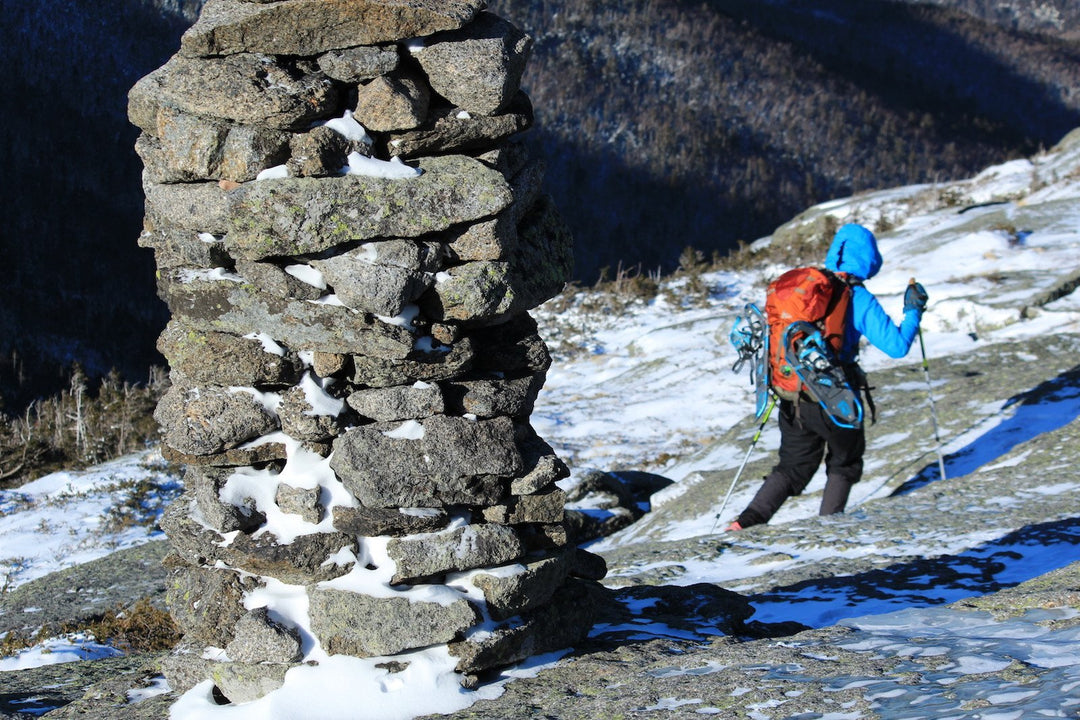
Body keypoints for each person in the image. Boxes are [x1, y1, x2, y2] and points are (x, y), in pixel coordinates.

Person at [728, 223, 927, 530]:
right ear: (869, 259)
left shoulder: (805, 289)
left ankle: (746, 522)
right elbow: (897, 347)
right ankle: (829, 528)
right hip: (835, 393)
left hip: (791, 393)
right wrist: (913, 310)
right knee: (845, 462)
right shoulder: (856, 297)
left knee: (793, 466)